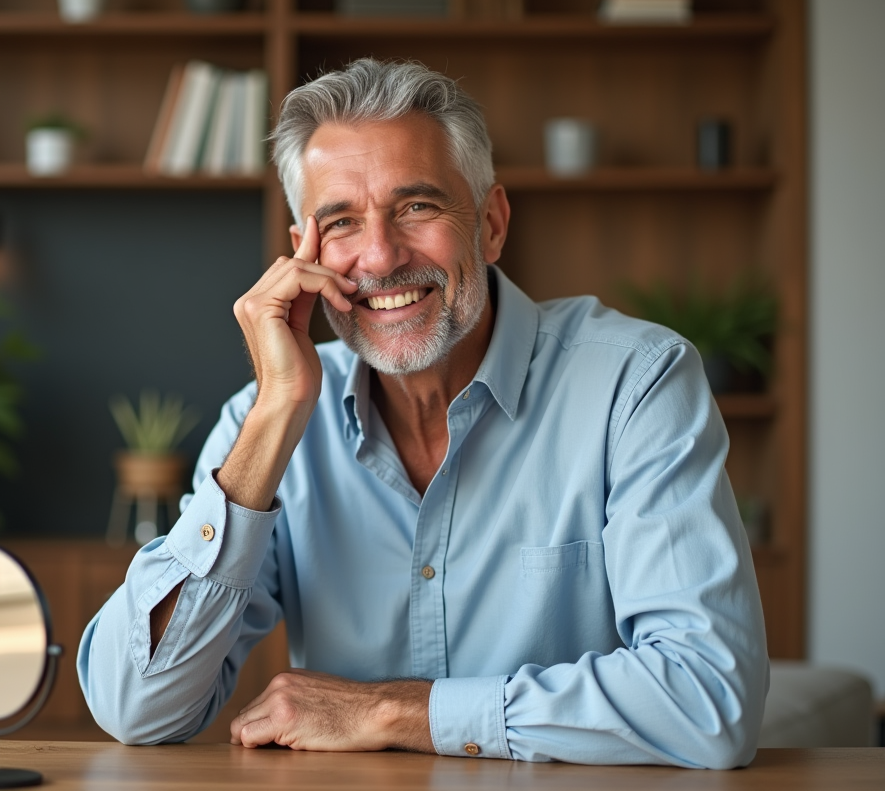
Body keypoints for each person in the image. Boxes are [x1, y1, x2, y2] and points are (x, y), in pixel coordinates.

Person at [78, 58, 768, 768]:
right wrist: (276, 413)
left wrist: (386, 709)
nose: (379, 256)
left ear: (492, 225)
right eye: (341, 222)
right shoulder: (270, 426)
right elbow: (139, 707)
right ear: (302, 254)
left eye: (417, 207)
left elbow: (709, 700)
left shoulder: (637, 384)